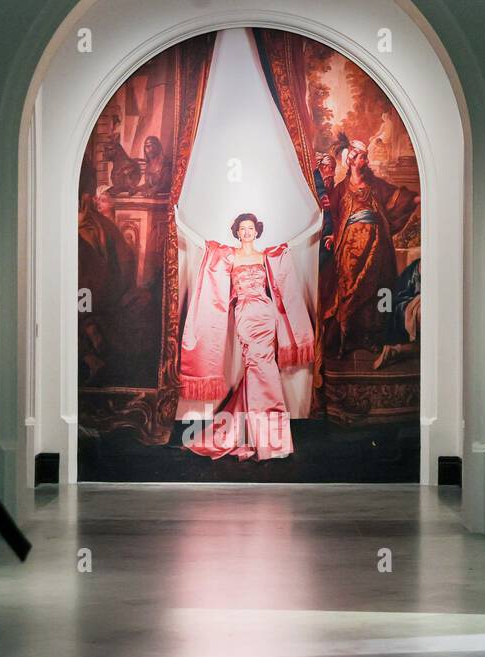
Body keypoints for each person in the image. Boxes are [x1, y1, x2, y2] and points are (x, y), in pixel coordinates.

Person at [179, 212, 315, 460]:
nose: (247, 232)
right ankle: (266, 442)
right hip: (244, 316)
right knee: (257, 368)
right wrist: (178, 220)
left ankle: (263, 438)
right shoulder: (230, 256)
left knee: (265, 370)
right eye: (242, 228)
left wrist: (319, 221)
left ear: (257, 230)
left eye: (250, 228)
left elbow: (293, 245)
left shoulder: (265, 257)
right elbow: (203, 244)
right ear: (237, 232)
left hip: (265, 315)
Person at [320, 140, 418, 358]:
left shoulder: (376, 185)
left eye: (365, 156)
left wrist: (418, 198)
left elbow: (396, 197)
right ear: (352, 160)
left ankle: (371, 339)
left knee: (375, 291)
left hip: (376, 245)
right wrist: (332, 234)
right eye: (361, 156)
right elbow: (333, 216)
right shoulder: (340, 189)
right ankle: (348, 338)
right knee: (348, 292)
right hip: (349, 249)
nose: (365, 160)